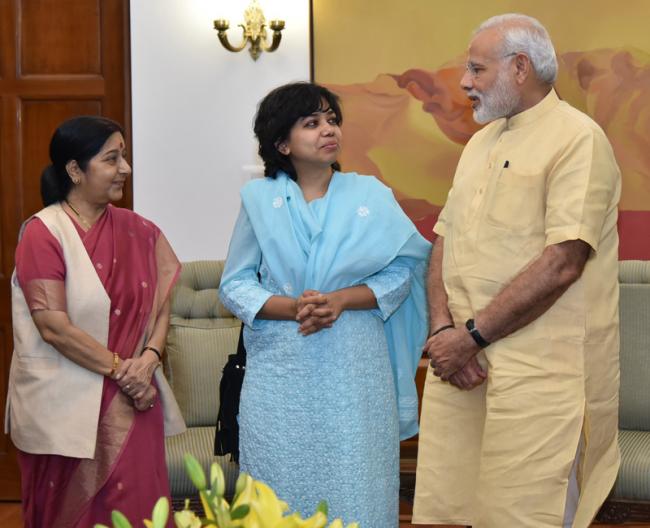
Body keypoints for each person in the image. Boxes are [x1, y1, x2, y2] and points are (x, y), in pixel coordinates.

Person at [412, 13, 621, 528]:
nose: (465, 82)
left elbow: (562, 263)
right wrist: (442, 331)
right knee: (454, 508)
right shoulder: (479, 143)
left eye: (477, 69)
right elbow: (444, 239)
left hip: (542, 376)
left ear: (520, 68)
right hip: (464, 369)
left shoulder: (578, 139)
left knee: (528, 513)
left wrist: (471, 336)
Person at [219, 82, 430, 527]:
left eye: (332, 120)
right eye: (311, 123)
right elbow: (235, 285)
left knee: (357, 487)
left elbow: (404, 272)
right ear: (282, 143)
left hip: (355, 371)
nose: (328, 130)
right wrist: (294, 307)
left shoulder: (371, 196)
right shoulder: (259, 201)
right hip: (280, 375)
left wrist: (342, 300)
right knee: (279, 492)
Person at [5, 116, 186, 527]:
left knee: (138, 509)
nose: (125, 168)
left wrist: (150, 357)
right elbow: (53, 326)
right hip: (64, 405)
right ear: (75, 169)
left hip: (133, 399)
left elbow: (161, 305)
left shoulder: (140, 231)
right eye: (112, 159)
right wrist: (123, 370)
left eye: (124, 156)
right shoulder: (43, 234)